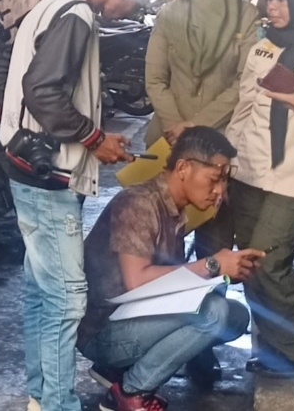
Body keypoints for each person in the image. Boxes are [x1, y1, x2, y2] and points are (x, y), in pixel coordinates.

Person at [0, 0, 167, 411]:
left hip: (29, 168)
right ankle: (57, 404)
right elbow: (42, 91)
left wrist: (98, 139)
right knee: (67, 299)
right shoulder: (75, 16)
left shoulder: (56, 1)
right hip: (48, 178)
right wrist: (93, 139)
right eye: (136, 2)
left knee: (43, 292)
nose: (130, 12)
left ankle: (41, 397)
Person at [77, 127, 259, 411]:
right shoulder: (139, 203)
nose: (220, 191)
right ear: (183, 168)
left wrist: (224, 271)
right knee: (214, 312)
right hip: (101, 332)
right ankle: (129, 392)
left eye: (224, 181)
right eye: (214, 179)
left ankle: (118, 371)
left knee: (235, 315)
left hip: (131, 321)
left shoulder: (173, 208)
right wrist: (213, 265)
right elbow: (137, 281)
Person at [146, 0, 260, 264]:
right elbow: (155, 79)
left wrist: (195, 127)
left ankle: (211, 298)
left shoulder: (246, 18)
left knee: (214, 246)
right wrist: (176, 127)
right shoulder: (168, 15)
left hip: (219, 150)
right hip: (167, 146)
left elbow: (245, 83)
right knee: (159, 242)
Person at [227, 0, 294, 378]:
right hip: (249, 170)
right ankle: (273, 349)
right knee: (249, 264)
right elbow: (244, 108)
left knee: (268, 262)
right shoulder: (263, 46)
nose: (272, 6)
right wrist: (228, 159)